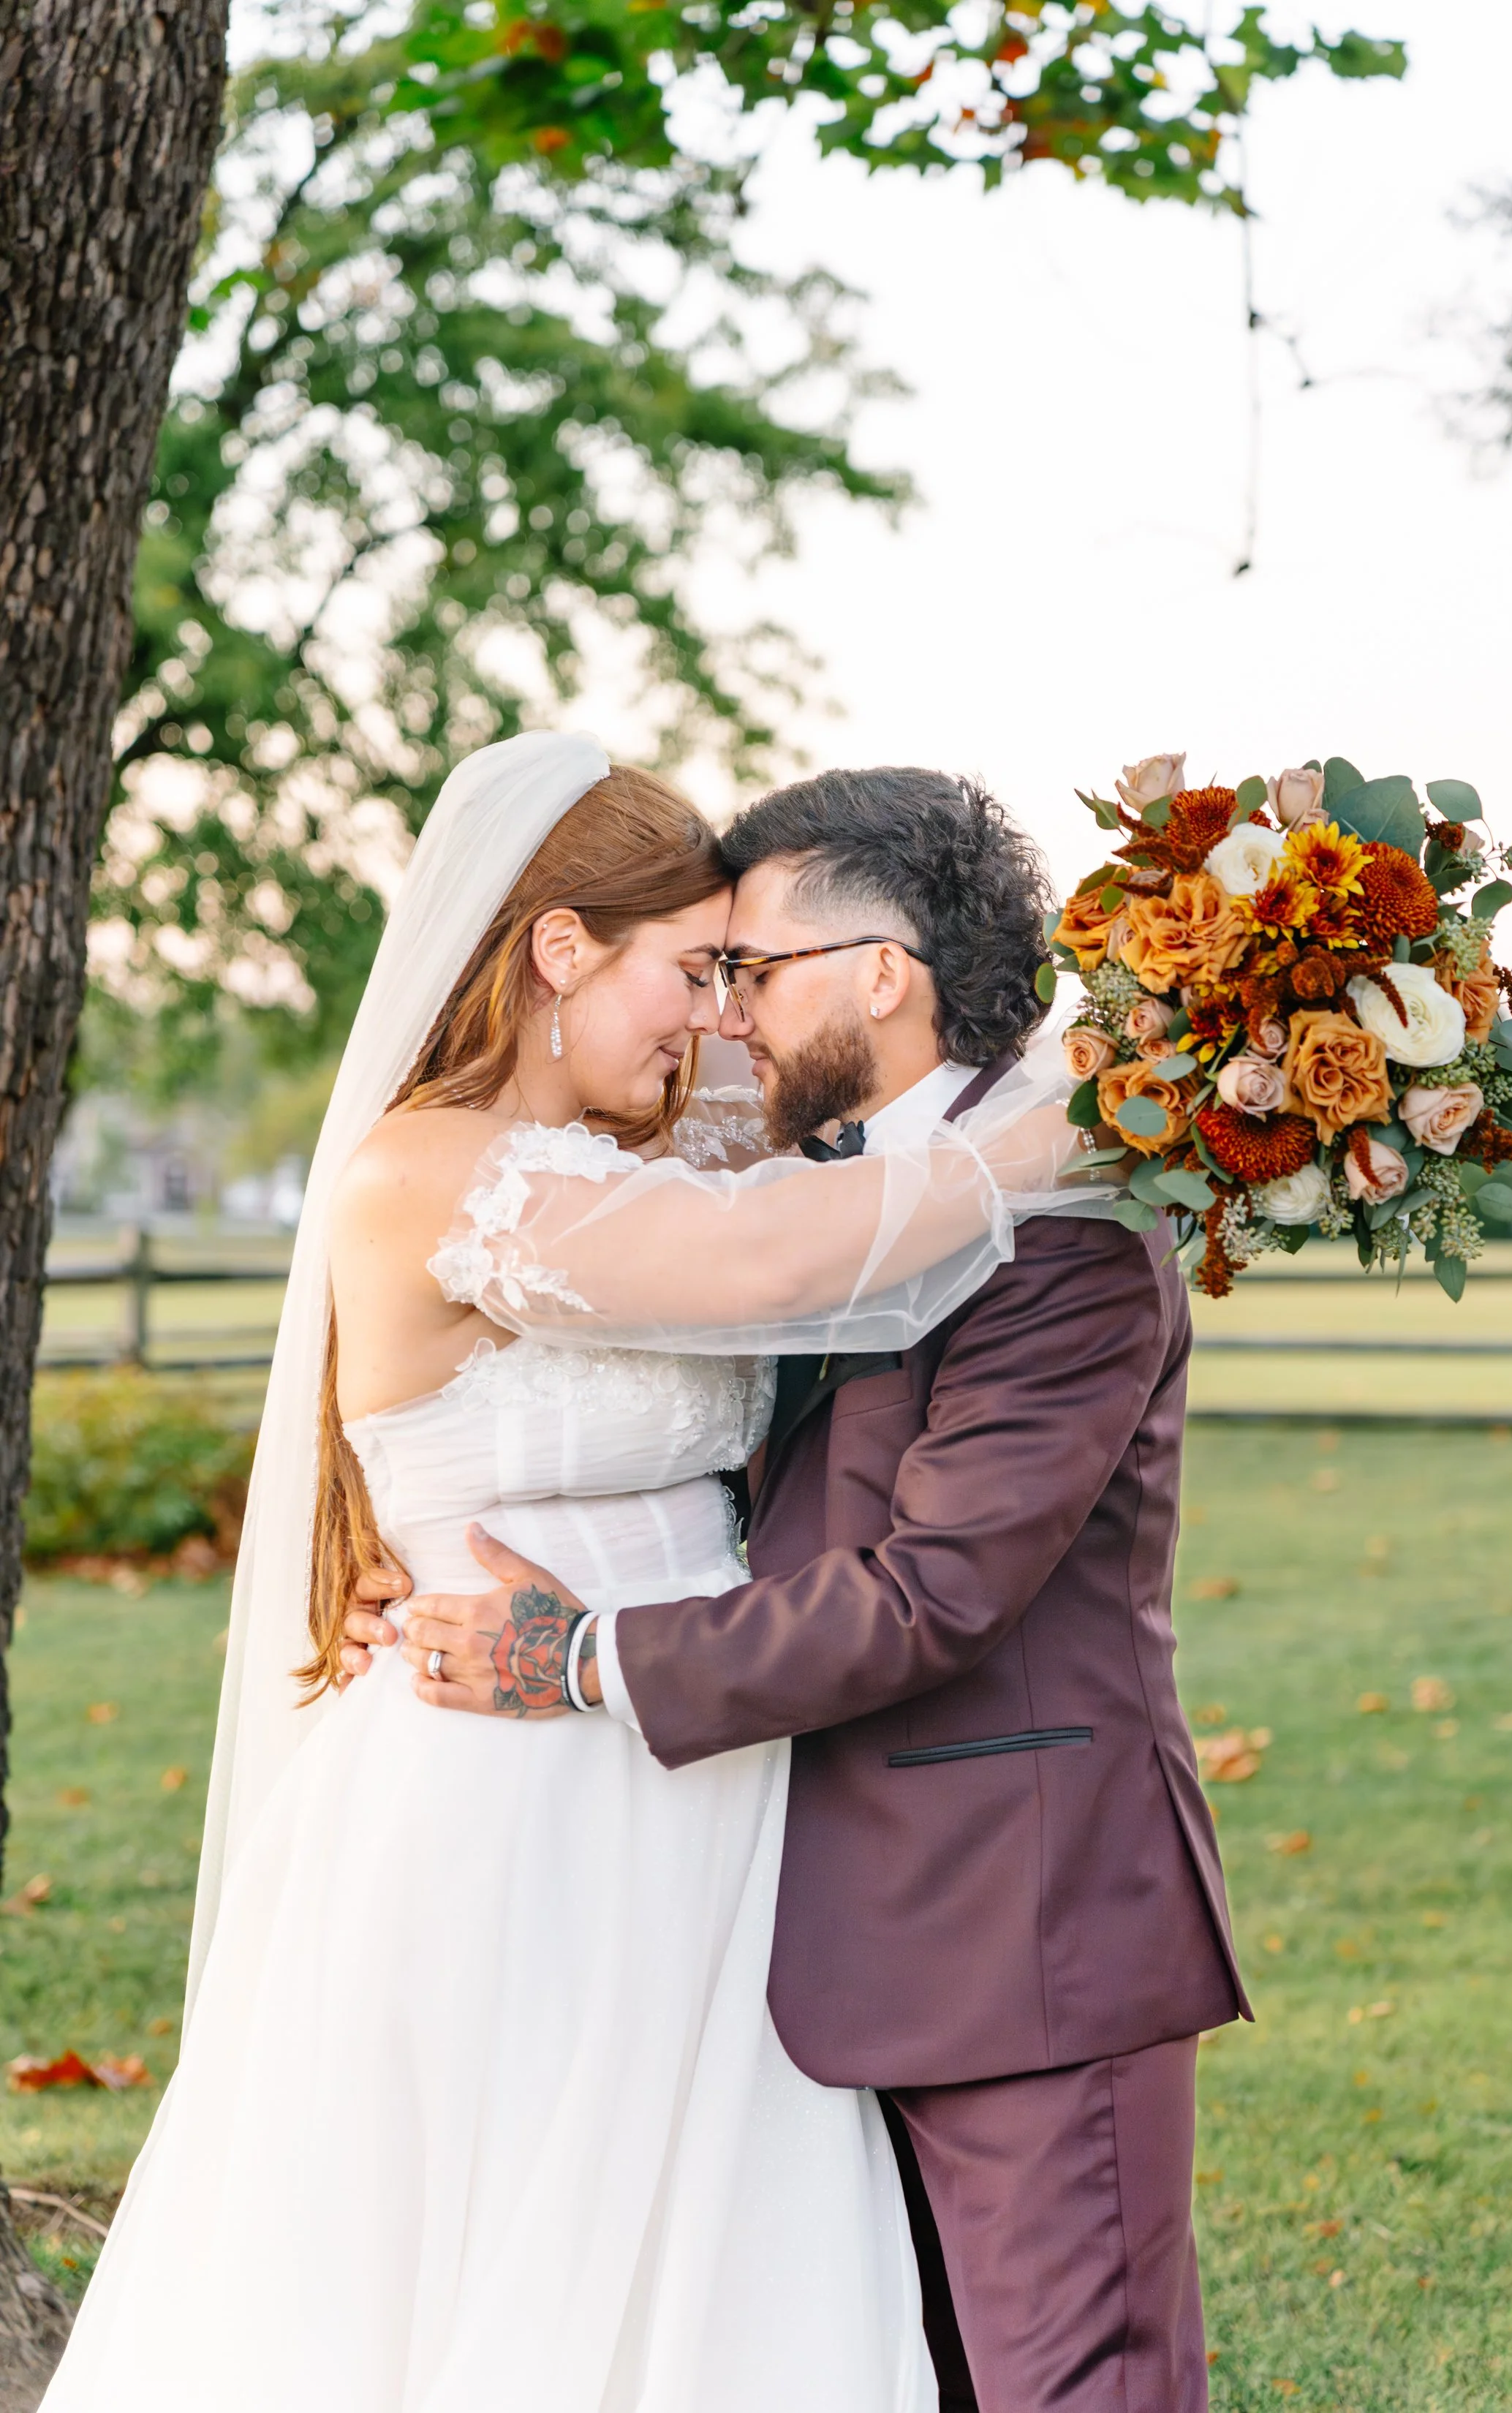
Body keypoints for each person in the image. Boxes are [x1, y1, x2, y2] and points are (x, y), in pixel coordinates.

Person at [42, 733, 1102, 2413]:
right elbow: (764, 1261)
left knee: (705, 2239)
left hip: (699, 1767)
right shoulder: (427, 1170)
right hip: (504, 1785)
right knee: (488, 2232)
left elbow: (854, 1106)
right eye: (689, 971)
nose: (712, 1016)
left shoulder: (656, 1147)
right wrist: (1082, 1123)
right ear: (558, 950)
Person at [347, 765, 1251, 2413]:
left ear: (881, 971)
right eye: (703, 977)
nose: (725, 1023)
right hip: (764, 1891)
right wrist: (399, 1547)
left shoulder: (1059, 1225)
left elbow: (931, 1597)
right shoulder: (813, 1181)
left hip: (1013, 1914)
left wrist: (580, 1657)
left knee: (1069, 2388)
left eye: (748, 974)